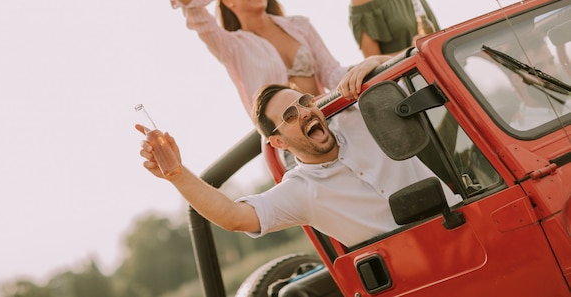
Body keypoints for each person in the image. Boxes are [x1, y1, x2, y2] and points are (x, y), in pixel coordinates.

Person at [135, 60, 460, 247]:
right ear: (279, 144)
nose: (304, 112)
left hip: (467, 225)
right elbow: (234, 217)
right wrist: (177, 175)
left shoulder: (360, 113)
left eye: (304, 102)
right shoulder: (300, 192)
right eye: (289, 116)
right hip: (414, 274)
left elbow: (414, 58)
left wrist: (373, 65)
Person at [147, 0, 350, 116]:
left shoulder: (300, 25)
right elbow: (194, 10)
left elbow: (331, 72)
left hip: (329, 120)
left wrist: (371, 66)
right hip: (288, 145)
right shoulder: (231, 47)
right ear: (227, 0)